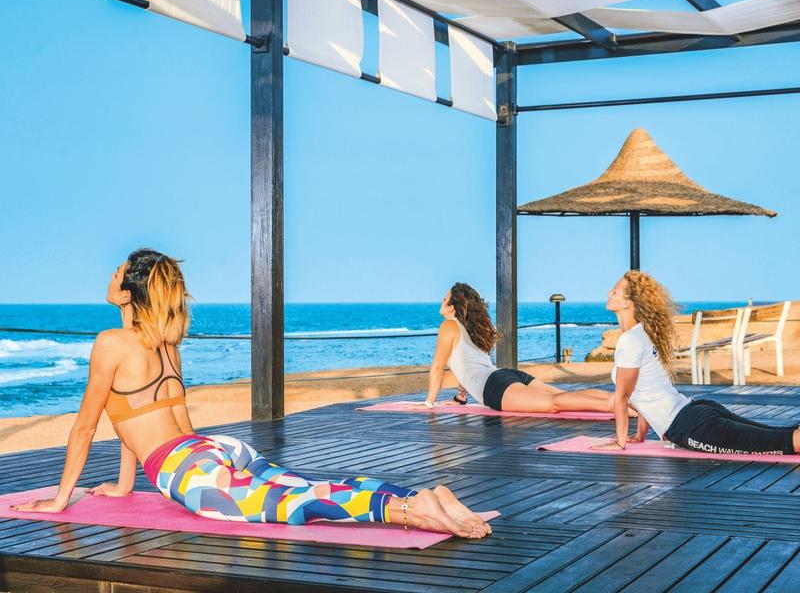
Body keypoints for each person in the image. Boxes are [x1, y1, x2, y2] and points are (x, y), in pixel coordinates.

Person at [11, 249, 491, 539]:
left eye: (116, 274)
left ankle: (410, 509)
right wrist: (121, 486)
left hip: (188, 470)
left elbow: (87, 426)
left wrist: (60, 499)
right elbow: (131, 416)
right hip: (217, 448)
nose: (109, 278)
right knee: (305, 487)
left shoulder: (110, 343)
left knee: (297, 507)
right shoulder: (166, 344)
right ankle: (423, 493)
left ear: (127, 293)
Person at [591, 270, 800, 455]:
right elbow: (645, 390)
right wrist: (640, 436)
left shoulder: (630, 340)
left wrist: (620, 443)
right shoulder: (643, 333)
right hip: (695, 411)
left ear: (628, 302)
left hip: (690, 425)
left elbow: (622, 397)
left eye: (615, 291)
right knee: (782, 435)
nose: (609, 293)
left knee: (783, 442)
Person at [425, 283, 615, 414]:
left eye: (444, 299)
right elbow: (466, 366)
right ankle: (620, 401)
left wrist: (429, 403)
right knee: (559, 396)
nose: (440, 302)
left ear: (453, 308)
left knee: (554, 403)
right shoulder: (468, 328)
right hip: (504, 376)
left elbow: (437, 367)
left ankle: (613, 406)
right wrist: (460, 398)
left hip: (494, 387)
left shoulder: (448, 326)